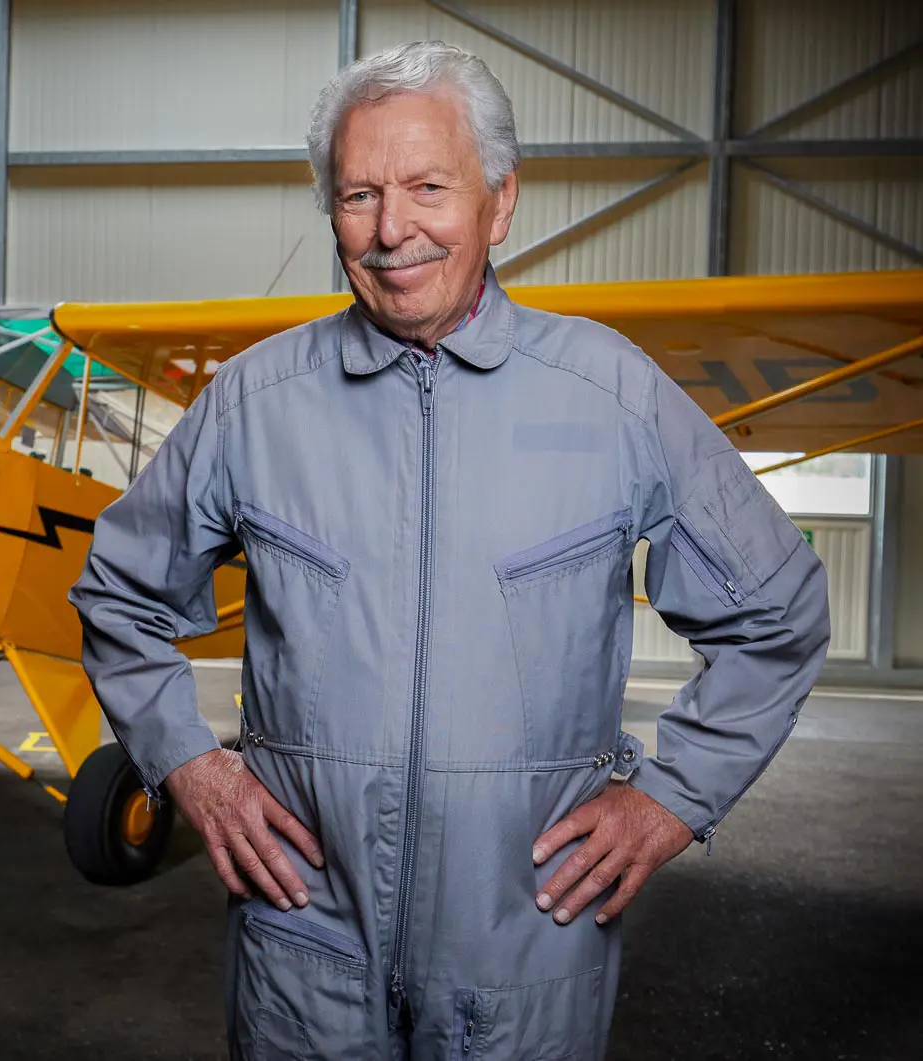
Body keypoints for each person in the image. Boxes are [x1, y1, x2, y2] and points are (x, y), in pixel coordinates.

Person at [68, 39, 830, 1060]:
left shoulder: (611, 395)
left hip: (526, 959)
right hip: (303, 956)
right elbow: (118, 594)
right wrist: (192, 768)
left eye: (429, 187)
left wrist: (670, 800)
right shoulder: (253, 402)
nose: (392, 230)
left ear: (500, 202)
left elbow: (778, 613)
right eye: (358, 196)